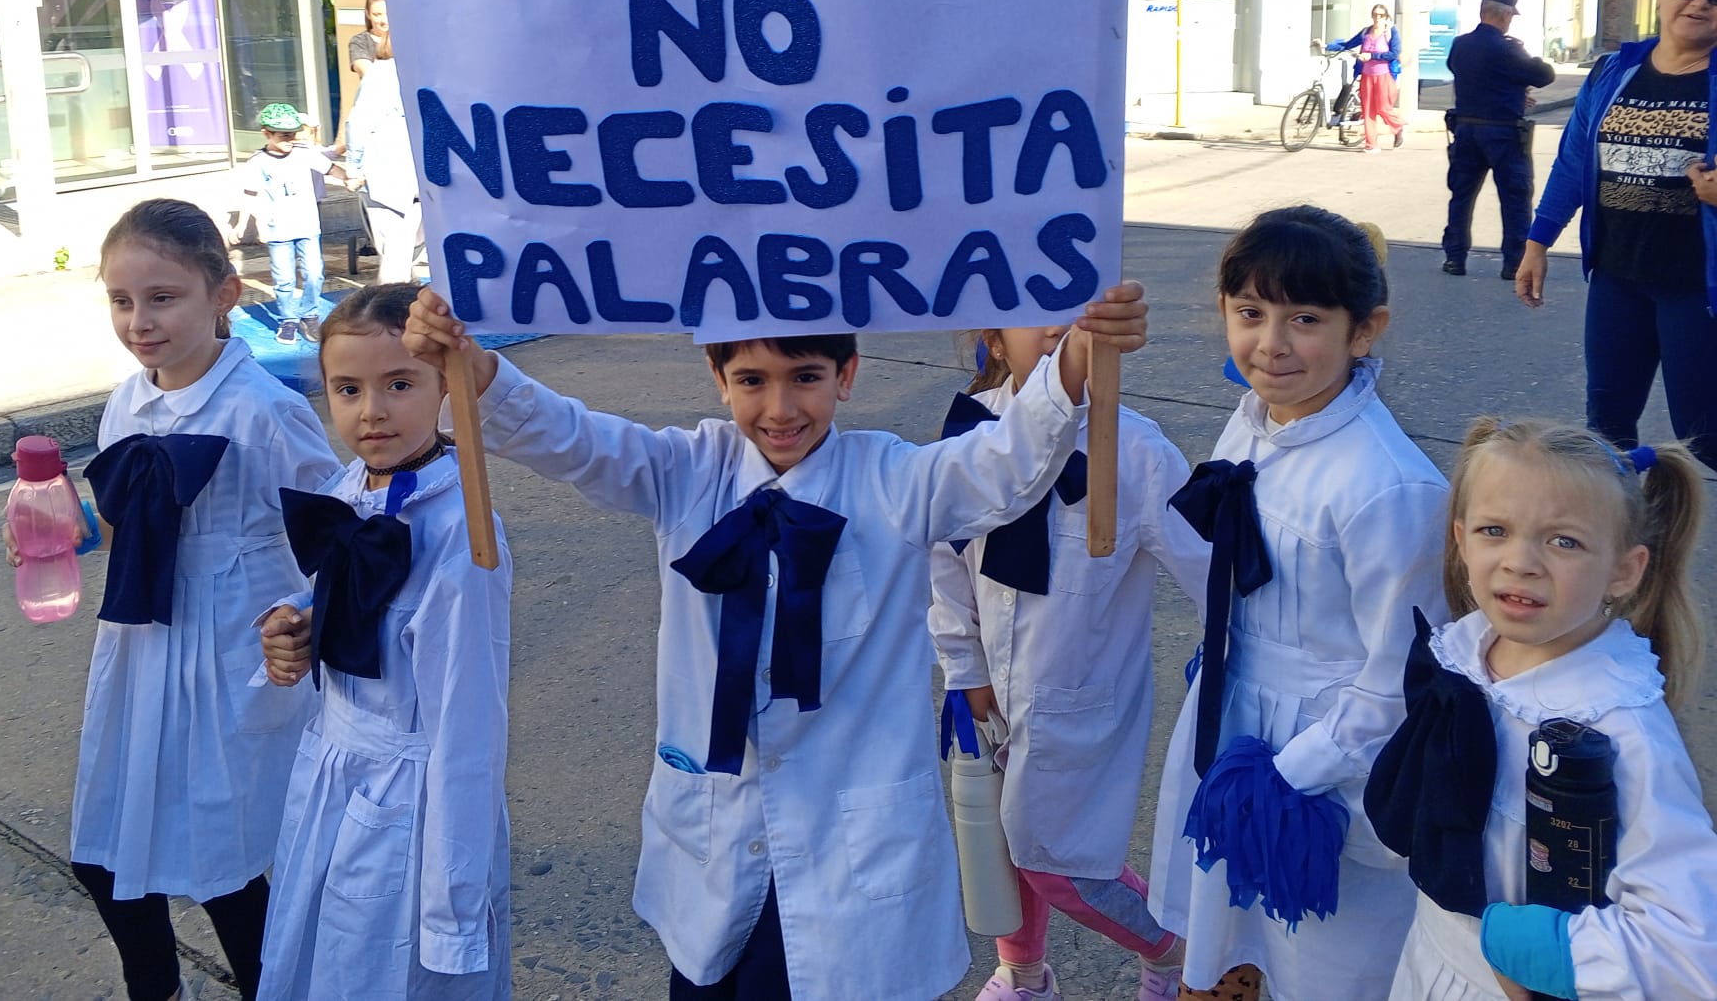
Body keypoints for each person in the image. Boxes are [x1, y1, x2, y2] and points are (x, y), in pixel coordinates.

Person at [403, 281, 1150, 1000]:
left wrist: (1078, 354)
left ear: (846, 375)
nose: (781, 408)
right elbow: (575, 440)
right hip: (716, 842)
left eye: (806, 377)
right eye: (752, 380)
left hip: (849, 855)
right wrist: (473, 367)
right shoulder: (685, 471)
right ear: (718, 380)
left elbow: (1002, 463)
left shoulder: (894, 480)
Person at [1144, 207, 1450, 1001]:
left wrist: (1295, 773)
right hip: (1239, 724)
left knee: (1321, 956)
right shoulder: (1253, 424)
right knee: (1231, 936)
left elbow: (1403, 677)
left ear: (1365, 330)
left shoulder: (1389, 485)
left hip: (1323, 758)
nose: (1272, 344)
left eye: (1305, 319)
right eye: (1250, 313)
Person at [65, 199, 340, 1001]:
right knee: (108, 840)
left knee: (225, 854)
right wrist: (63, 532)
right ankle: (155, 985)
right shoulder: (127, 401)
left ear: (222, 294)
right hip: (143, 643)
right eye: (122, 301)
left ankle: (277, 988)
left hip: (231, 647)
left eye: (163, 297)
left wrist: (306, 615)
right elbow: (124, 525)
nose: (140, 321)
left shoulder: (264, 409)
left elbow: (335, 534)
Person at [1367, 418, 1714, 1000]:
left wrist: (1553, 955)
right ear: (1461, 540)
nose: (1520, 561)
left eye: (1564, 541)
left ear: (1625, 571)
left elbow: (1689, 947)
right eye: (1495, 530)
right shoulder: (1462, 656)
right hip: (1430, 960)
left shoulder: (1618, 727)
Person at [930, 327, 1208, 1001]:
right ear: (995, 338)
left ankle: (1175, 951)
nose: (1058, 324)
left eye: (1074, 305)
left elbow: (1211, 566)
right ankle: (1024, 974)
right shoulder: (971, 434)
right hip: (991, 692)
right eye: (1035, 309)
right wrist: (964, 666)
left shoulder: (1136, 452)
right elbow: (943, 557)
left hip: (1080, 708)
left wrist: (1238, 658)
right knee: (999, 841)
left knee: (1060, 863)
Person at [255, 284, 511, 1000]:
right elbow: (357, 598)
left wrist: (452, 906)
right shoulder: (352, 489)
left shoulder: (461, 532)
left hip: (413, 803)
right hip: (333, 775)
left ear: (444, 385)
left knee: (388, 972)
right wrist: (298, 620)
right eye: (348, 389)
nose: (371, 411)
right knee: (323, 962)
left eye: (399, 384)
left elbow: (468, 725)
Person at [1516, 0, 1717, 468]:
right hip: (1617, 278)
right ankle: (1615, 514)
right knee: (1607, 424)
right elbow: (1573, 161)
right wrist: (1538, 241)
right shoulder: (1614, 71)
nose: (1701, 2)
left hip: (1696, 286)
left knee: (1704, 433)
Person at [1443, 0, 1556, 279]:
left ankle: (1454, 258)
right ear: (1505, 16)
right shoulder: (1507, 49)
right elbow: (1543, 75)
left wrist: (1512, 89)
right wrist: (1520, 76)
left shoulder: (1460, 45)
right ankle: (1513, 263)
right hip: (1503, 134)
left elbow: (1472, 75)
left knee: (1461, 196)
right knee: (1515, 198)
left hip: (1466, 130)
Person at [242, 102, 343, 343]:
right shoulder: (258, 162)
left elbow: (330, 168)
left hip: (307, 226)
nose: (290, 140)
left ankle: (310, 314)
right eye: (283, 135)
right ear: (267, 133)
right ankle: (288, 319)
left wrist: (349, 178)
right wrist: (246, 224)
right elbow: (250, 194)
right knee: (284, 279)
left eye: (292, 134)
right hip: (278, 229)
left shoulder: (304, 153)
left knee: (315, 273)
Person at [349, 21, 425, 285]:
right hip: (398, 176)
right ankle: (396, 302)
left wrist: (354, 168)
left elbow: (357, 123)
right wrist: (354, 167)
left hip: (399, 177)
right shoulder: (385, 75)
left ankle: (396, 300)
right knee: (400, 254)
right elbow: (358, 123)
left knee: (400, 253)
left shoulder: (385, 74)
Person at [1330, 3, 1405, 152]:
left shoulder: (1390, 33)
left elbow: (1394, 54)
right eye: (1375, 15)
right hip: (1366, 76)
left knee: (1383, 108)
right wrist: (1326, 46)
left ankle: (1398, 127)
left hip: (1383, 76)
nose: (1378, 18)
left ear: (1386, 17)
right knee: (1368, 110)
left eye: (1381, 15)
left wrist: (1372, 56)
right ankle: (1371, 144)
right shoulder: (1366, 32)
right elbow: (1348, 44)